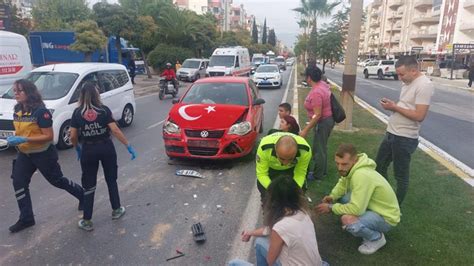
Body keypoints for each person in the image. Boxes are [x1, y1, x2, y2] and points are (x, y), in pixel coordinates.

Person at [6, 79, 84, 233]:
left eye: (19, 91)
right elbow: (22, 130)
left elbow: (48, 136)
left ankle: (82, 194)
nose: (16, 94)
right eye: (14, 91)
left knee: (57, 180)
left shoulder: (41, 112)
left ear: (28, 92)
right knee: (19, 182)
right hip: (24, 153)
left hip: (43, 153)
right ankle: (26, 218)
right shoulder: (17, 109)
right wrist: (15, 139)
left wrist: (25, 139)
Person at [70, 81, 137, 231]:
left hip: (88, 150)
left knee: (89, 184)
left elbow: (73, 135)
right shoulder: (104, 111)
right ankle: (116, 210)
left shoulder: (77, 113)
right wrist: (128, 146)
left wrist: (77, 148)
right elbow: (116, 130)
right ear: (97, 94)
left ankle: (87, 220)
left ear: (81, 96)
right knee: (111, 180)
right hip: (106, 147)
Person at [316, 144, 400, 255]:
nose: (340, 168)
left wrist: (331, 207)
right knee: (342, 197)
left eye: (344, 164)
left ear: (355, 161)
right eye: (337, 163)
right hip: (374, 208)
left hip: (386, 218)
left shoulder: (361, 175)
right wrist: (332, 196)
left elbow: (357, 210)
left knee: (347, 220)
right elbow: (343, 183)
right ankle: (368, 224)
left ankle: (377, 239)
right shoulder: (354, 168)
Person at [375, 56, 434, 204]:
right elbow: (406, 106)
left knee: (400, 175)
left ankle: (395, 207)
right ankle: (386, 199)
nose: (399, 78)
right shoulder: (408, 81)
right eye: (398, 74)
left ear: (414, 71)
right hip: (392, 132)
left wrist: (394, 107)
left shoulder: (424, 85)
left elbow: (420, 115)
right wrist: (393, 106)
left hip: (405, 137)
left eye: (402, 74)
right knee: (379, 166)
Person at [229, 176, 324, 266]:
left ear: (273, 200)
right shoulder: (304, 213)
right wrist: (250, 233)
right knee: (259, 242)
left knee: (233, 263)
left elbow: (270, 260)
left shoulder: (280, 227)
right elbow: (269, 230)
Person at [300, 65, 334, 180]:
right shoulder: (322, 84)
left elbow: (318, 114)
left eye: (306, 76)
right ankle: (322, 172)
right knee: (321, 146)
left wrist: (305, 130)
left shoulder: (316, 92)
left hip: (323, 122)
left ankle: (318, 175)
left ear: (309, 78)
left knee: (319, 149)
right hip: (326, 120)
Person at [256, 132, 311, 202]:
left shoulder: (305, 151)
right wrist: (275, 191)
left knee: (296, 196)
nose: (286, 163)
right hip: (271, 168)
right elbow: (262, 174)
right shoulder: (264, 148)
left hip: (292, 168)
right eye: (282, 158)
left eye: (290, 158)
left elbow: (300, 174)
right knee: (267, 196)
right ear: (275, 150)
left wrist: (293, 191)